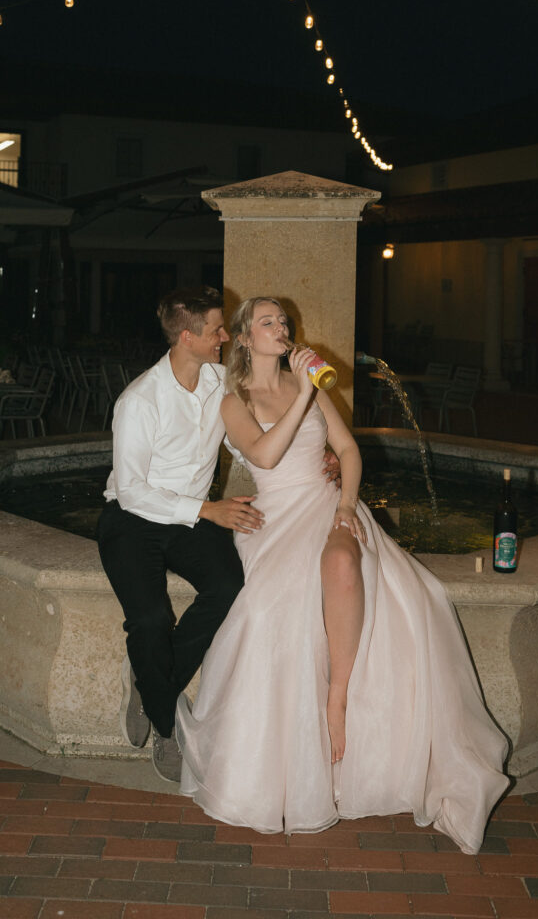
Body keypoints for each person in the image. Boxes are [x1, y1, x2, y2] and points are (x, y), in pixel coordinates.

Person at [176, 297, 509, 853]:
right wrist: (306, 388)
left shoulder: (313, 389)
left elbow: (349, 451)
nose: (281, 328)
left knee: (342, 561)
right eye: (268, 322)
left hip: (330, 504)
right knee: (266, 608)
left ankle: (338, 700)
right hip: (273, 518)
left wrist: (348, 506)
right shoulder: (233, 400)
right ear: (242, 338)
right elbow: (263, 456)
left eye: (284, 321)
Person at [97, 287, 339, 782]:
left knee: (230, 589)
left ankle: (148, 682)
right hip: (133, 520)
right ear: (188, 337)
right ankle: (167, 727)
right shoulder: (139, 400)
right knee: (150, 619)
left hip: (191, 519)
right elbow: (131, 490)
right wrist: (207, 509)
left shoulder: (217, 384)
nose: (224, 337)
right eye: (215, 330)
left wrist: (319, 456)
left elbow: (249, 442)